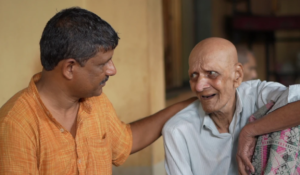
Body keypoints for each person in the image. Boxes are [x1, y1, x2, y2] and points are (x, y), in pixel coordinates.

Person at [0, 7, 196, 174]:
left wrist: (191, 104)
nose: (112, 70)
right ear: (70, 68)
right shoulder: (16, 125)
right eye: (103, 63)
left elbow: (127, 141)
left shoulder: (95, 102)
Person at [162, 37, 300, 175]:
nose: (199, 86)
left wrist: (250, 130)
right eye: (193, 75)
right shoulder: (178, 131)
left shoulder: (258, 96)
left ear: (237, 75)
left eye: (211, 73)